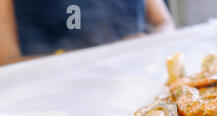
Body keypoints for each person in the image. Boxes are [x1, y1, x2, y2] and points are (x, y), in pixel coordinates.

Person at [0, 0, 175, 66]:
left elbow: (164, 24)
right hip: (50, 102)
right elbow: (6, 60)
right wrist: (74, 59)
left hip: (133, 80)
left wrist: (143, 43)